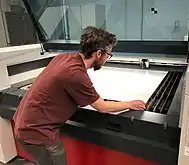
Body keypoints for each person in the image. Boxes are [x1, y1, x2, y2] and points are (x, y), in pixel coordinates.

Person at [13, 26, 146, 165]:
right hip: (37, 134)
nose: (108, 58)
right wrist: (130, 104)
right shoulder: (76, 75)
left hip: (23, 124)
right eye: (108, 55)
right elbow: (102, 107)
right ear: (99, 53)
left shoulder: (64, 58)